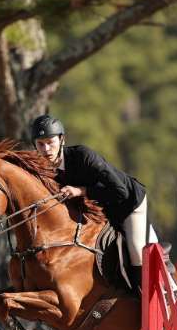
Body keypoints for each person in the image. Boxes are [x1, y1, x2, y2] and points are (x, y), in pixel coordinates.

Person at [30, 114, 157, 293]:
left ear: (62, 139)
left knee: (137, 253)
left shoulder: (83, 156)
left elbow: (120, 191)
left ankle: (157, 295)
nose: (46, 149)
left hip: (129, 204)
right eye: (40, 144)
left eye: (50, 142)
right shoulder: (43, 171)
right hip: (100, 211)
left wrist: (81, 191)